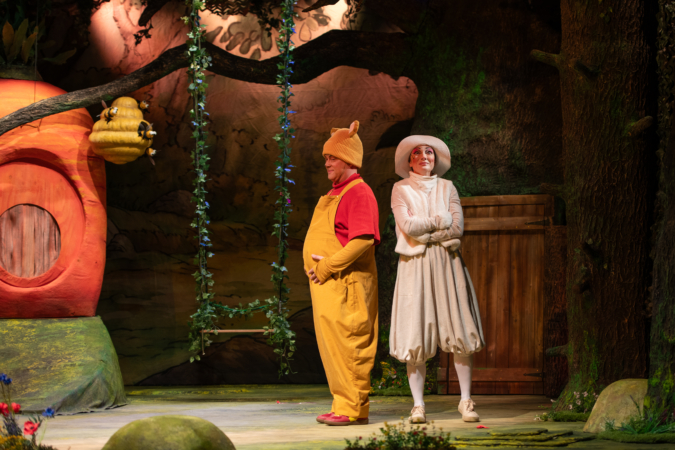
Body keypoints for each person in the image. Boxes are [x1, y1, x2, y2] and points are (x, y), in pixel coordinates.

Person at [389, 135, 485, 424]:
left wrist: (427, 231)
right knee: (415, 331)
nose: (424, 157)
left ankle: (465, 400)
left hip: (447, 263)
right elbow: (408, 226)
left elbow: (457, 228)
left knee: (459, 327)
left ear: (435, 158)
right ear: (409, 161)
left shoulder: (448, 187)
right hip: (414, 265)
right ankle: (418, 405)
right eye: (417, 153)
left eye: (428, 152)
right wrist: (439, 222)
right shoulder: (401, 188)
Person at [303, 120, 380, 426]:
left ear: (348, 159)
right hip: (330, 287)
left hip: (347, 286)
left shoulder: (358, 192)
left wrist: (326, 266)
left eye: (332, 157)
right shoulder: (337, 192)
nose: (327, 163)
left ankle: (353, 409)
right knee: (334, 348)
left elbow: (363, 240)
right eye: (326, 157)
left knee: (350, 345)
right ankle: (342, 404)